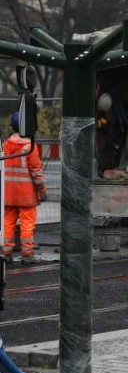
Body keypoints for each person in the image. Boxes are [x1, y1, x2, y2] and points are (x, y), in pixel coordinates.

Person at [2, 112, 47, 265]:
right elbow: (36, 172)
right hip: (26, 194)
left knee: (8, 221)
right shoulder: (29, 146)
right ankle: (27, 254)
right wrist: (43, 191)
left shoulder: (6, 144)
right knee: (27, 223)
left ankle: (6, 252)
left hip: (8, 193)